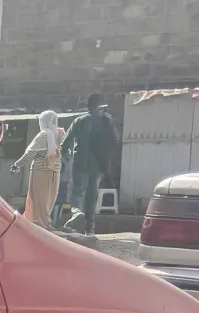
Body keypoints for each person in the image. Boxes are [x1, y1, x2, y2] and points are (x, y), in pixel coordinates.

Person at [62, 93, 119, 233]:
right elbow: (115, 140)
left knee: (77, 192)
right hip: (99, 165)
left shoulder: (79, 121)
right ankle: (89, 227)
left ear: (88, 106)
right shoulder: (107, 121)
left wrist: (66, 156)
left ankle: (76, 214)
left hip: (80, 162)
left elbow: (65, 142)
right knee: (91, 196)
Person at [11, 110, 64, 228]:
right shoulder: (60, 134)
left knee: (38, 200)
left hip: (40, 172)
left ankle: (37, 224)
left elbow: (30, 153)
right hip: (55, 172)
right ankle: (45, 222)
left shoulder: (44, 135)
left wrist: (17, 164)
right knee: (48, 199)